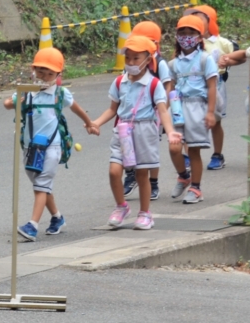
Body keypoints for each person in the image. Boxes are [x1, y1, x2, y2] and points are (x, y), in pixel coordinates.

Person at [4, 48, 96, 242]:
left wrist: (89, 123)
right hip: (30, 148)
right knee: (40, 185)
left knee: (42, 184)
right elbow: (7, 104)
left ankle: (32, 226)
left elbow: (76, 108)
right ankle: (57, 217)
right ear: (33, 70)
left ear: (58, 75)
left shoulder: (60, 94)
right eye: (40, 72)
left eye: (49, 74)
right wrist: (17, 102)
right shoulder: (27, 92)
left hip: (52, 146)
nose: (44, 77)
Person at [90, 36, 180, 229]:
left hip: (145, 131)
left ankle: (145, 213)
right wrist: (96, 122)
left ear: (148, 59)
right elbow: (112, 109)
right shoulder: (119, 82)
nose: (130, 62)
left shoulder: (154, 85)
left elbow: (163, 110)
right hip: (122, 131)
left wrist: (170, 131)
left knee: (141, 174)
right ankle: (121, 206)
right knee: (114, 171)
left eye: (135, 58)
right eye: (127, 58)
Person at [167, 15, 219, 204]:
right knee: (174, 148)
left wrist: (210, 112)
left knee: (193, 151)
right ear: (177, 36)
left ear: (199, 37)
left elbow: (212, 86)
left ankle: (196, 188)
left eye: (191, 33)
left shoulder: (206, 60)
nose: (186, 37)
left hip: (198, 106)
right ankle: (183, 176)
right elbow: (169, 88)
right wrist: (164, 111)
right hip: (178, 107)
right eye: (183, 32)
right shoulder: (173, 64)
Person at [122, 21, 170, 201]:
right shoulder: (130, 62)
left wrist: (161, 106)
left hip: (152, 115)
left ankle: (154, 182)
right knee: (127, 145)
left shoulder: (160, 63)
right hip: (130, 115)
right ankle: (131, 176)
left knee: (150, 150)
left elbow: (167, 85)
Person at [185, 5, 232, 170]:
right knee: (187, 119)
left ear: (209, 21)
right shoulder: (188, 41)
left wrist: (228, 61)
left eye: (199, 17)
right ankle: (188, 156)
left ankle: (217, 154)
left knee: (216, 121)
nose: (195, 20)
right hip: (191, 84)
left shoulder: (220, 42)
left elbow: (234, 55)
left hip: (215, 84)